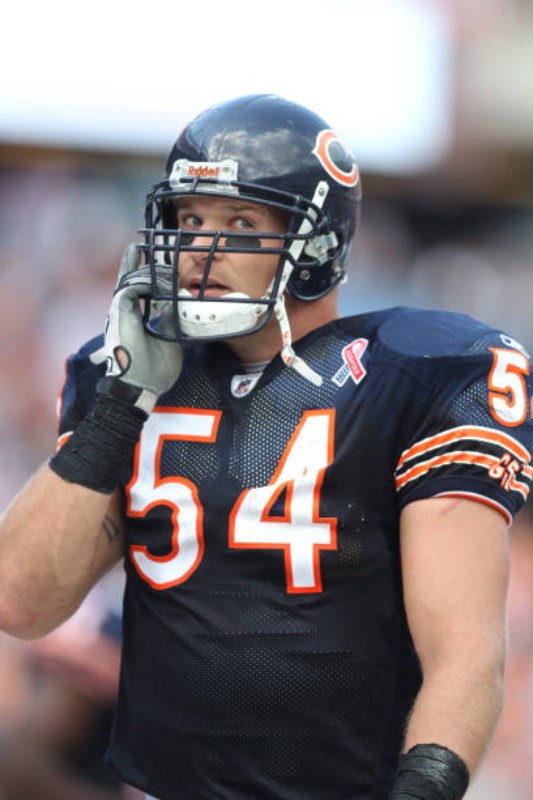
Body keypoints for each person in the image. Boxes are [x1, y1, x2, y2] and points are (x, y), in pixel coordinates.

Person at [0, 94, 532, 800]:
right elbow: (21, 603)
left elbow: (463, 654)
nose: (201, 248)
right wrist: (120, 407)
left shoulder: (420, 373)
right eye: (190, 220)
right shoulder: (129, 374)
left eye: (240, 223)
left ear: (318, 243)